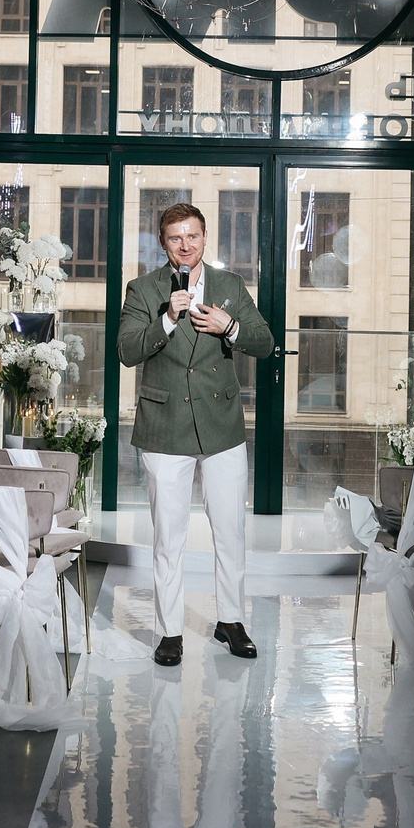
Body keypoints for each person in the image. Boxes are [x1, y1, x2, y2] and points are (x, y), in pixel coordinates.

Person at [116, 203, 276, 668]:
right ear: (162, 243)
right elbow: (127, 351)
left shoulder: (230, 286)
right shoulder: (143, 289)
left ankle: (231, 621)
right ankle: (170, 631)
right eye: (175, 239)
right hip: (165, 429)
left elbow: (264, 343)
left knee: (230, 532)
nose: (185, 247)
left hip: (222, 426)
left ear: (206, 238)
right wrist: (166, 319)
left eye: (193, 237)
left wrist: (233, 327)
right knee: (169, 537)